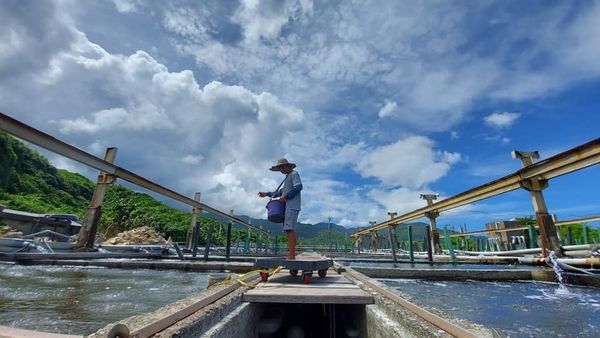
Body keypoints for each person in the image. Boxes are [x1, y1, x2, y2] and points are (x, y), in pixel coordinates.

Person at [258, 158, 302, 260]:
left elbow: (298, 187)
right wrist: (266, 194)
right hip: (288, 207)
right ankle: (291, 254)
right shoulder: (287, 178)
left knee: (289, 229)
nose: (281, 169)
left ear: (288, 166)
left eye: (282, 167)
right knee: (288, 230)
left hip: (292, 206)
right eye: (280, 168)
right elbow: (279, 193)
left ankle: (291, 255)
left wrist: (286, 197)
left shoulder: (294, 174)